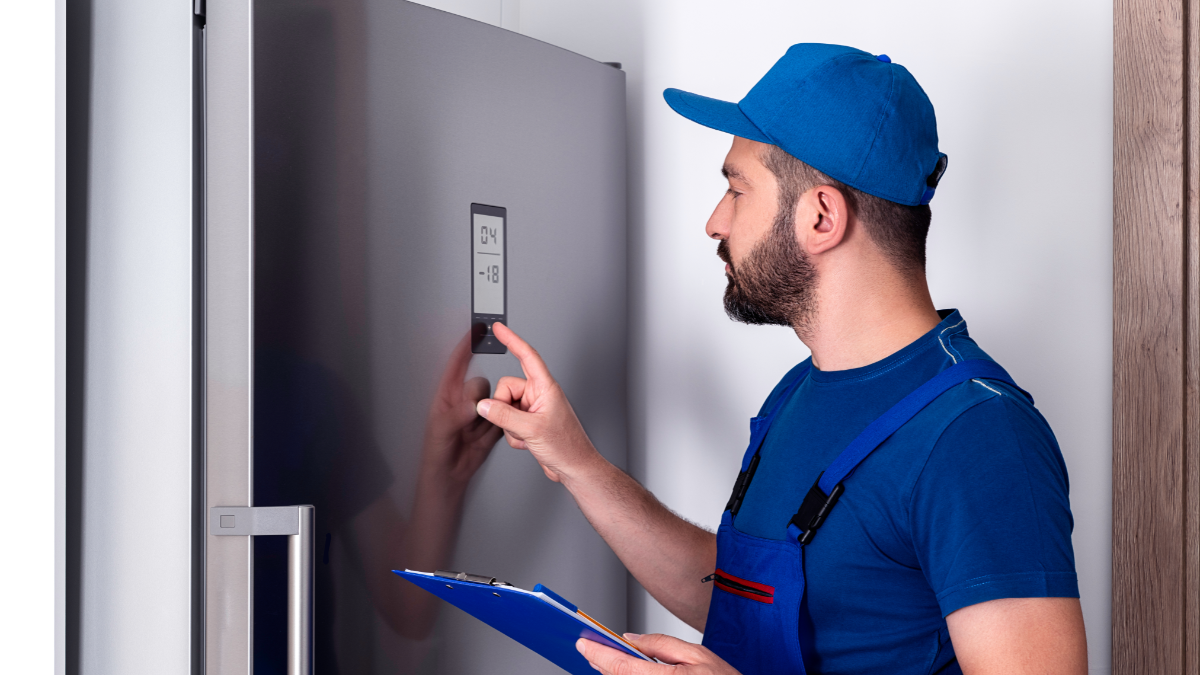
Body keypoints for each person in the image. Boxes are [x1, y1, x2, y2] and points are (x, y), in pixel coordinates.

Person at [475, 44, 1087, 675]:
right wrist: (575, 461)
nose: (715, 222)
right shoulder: (798, 392)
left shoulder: (979, 437)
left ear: (821, 217)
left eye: (736, 190)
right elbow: (743, 604)